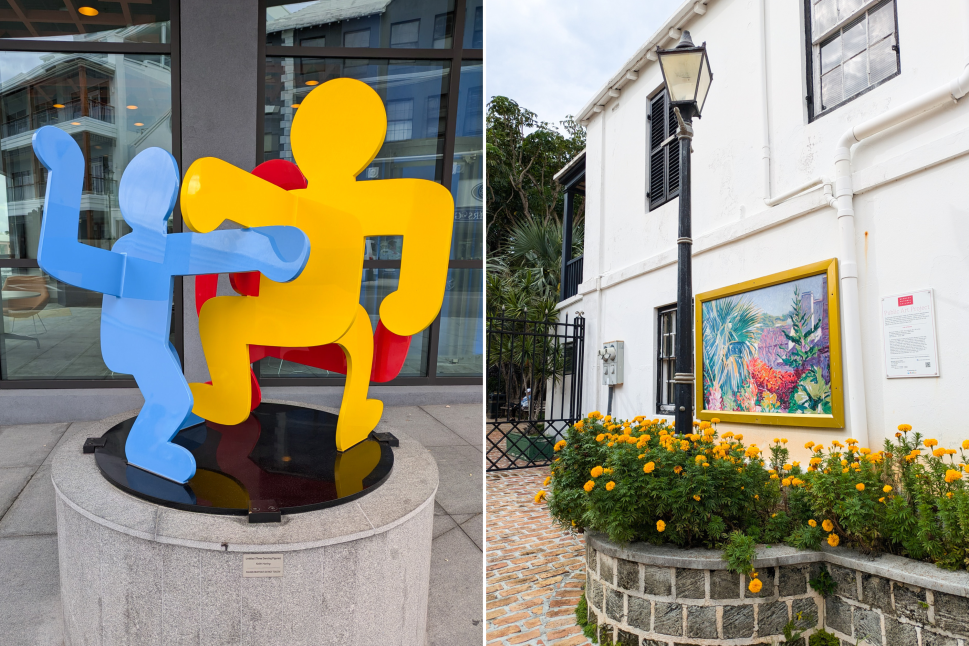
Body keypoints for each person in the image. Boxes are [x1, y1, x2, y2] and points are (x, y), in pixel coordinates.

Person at [32, 126, 310, 483]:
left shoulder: (150, 249)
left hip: (147, 341)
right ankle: (144, 448)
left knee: (171, 372)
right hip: (135, 342)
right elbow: (59, 254)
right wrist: (66, 171)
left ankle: (177, 416)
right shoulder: (136, 254)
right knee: (172, 397)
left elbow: (216, 250)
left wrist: (267, 248)